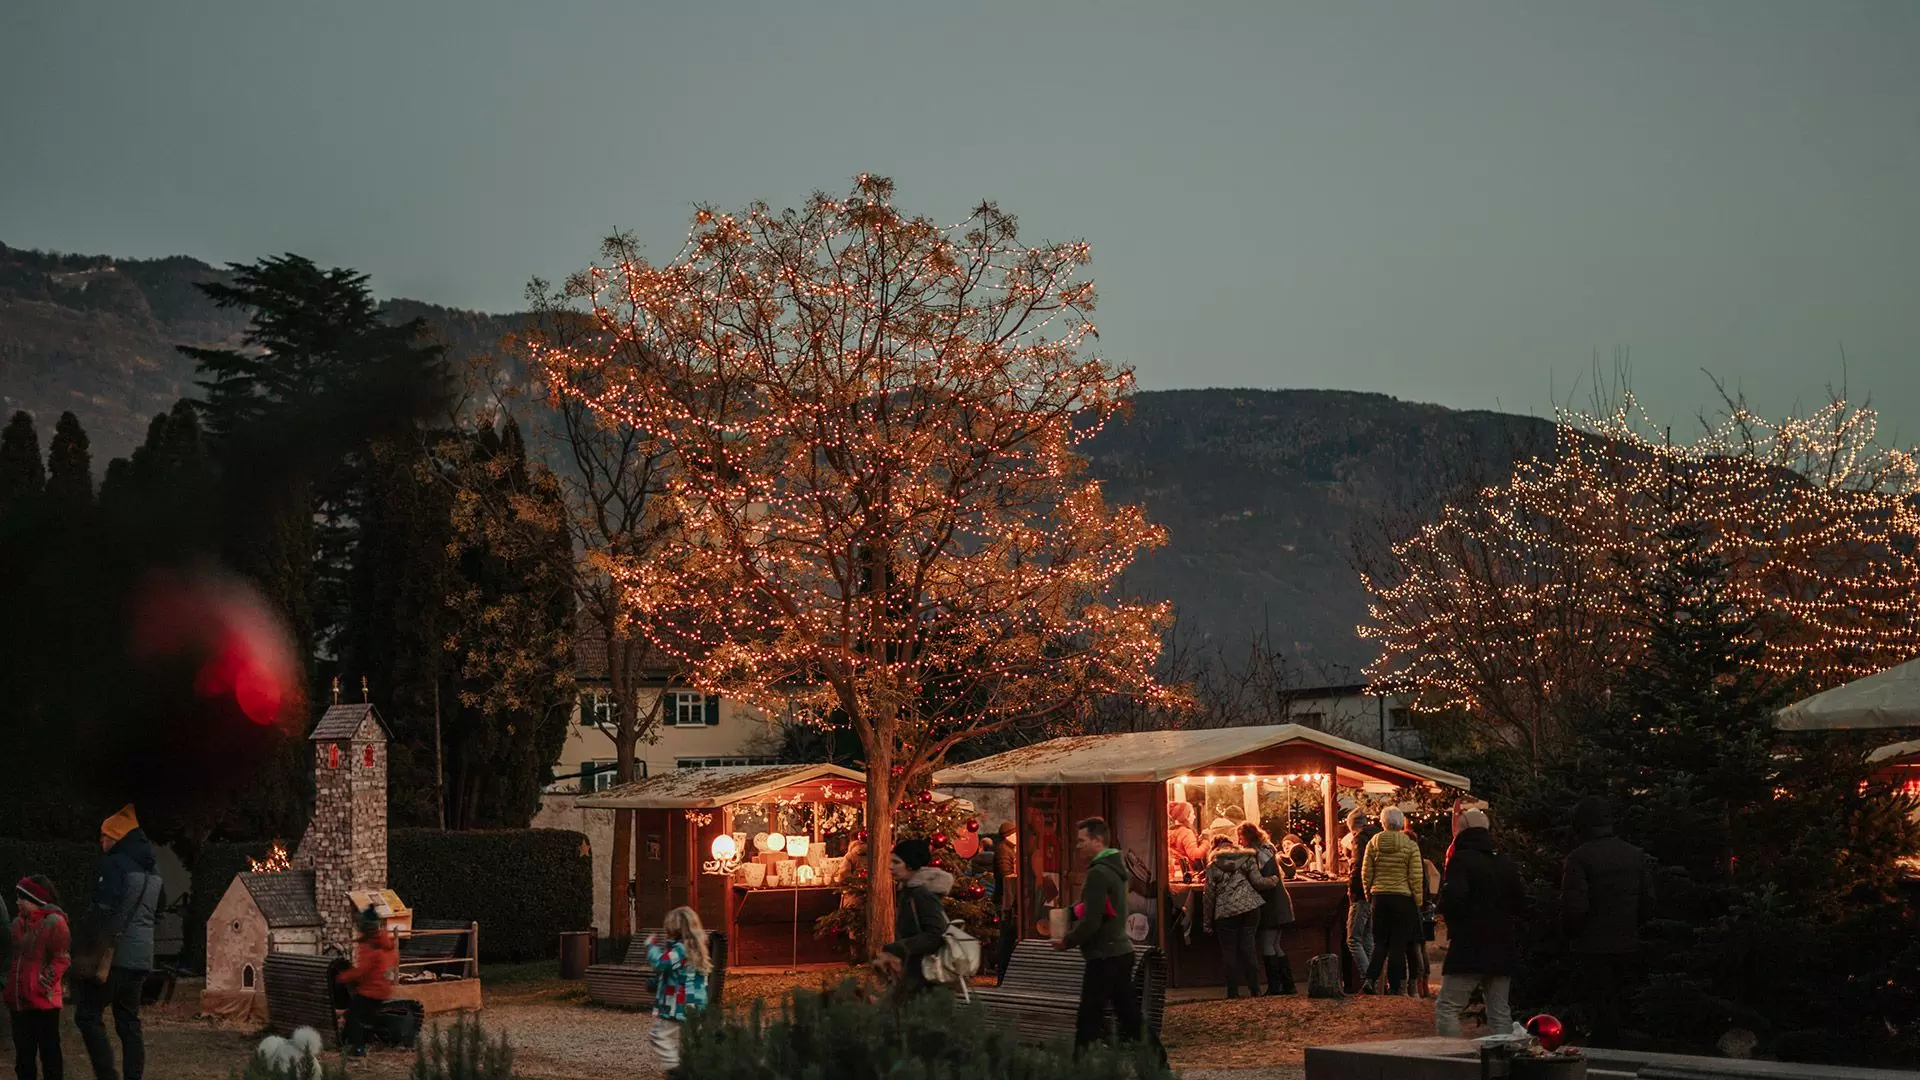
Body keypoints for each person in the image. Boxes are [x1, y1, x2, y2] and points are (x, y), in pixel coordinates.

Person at [74, 804, 164, 1080]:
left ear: (116, 838)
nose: (101, 841)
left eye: (104, 836)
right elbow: (159, 910)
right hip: (141, 959)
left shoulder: (114, 864)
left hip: (113, 957)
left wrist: (84, 939)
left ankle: (107, 1075)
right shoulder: (155, 871)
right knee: (128, 1022)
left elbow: (103, 909)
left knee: (87, 1015)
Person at [1561, 796, 1655, 1045]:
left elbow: (1575, 908)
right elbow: (1648, 901)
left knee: (1601, 1008)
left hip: (1592, 946)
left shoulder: (1579, 858)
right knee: (1624, 1005)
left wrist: (1572, 934)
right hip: (1628, 941)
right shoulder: (1635, 855)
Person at [1434, 809, 1526, 1037]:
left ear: (1461, 831)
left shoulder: (1461, 860)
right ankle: (1504, 1060)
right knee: (1499, 1009)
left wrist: (1449, 915)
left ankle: (1451, 1059)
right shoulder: (1504, 861)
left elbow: (1455, 899)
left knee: (1448, 1006)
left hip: (1470, 943)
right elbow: (1520, 901)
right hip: (1503, 942)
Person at [1055, 817, 1142, 1049]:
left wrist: (1067, 941)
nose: (1078, 846)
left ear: (1097, 841)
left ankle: (1081, 1067)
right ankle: (1156, 1063)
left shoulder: (1098, 874)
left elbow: (1092, 920)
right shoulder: (1114, 869)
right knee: (1129, 1017)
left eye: (1082, 841)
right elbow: (1099, 906)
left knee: (1089, 1018)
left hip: (1104, 954)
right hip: (1118, 952)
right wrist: (1068, 914)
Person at [8, 876, 70, 1080]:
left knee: (49, 1050)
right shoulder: (17, 923)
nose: (17, 902)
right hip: (18, 1000)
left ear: (33, 898)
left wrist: (45, 981)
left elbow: (61, 958)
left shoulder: (54, 923)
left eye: (21, 898)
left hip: (44, 1000)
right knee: (23, 1054)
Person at [874, 838, 951, 1000]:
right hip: (913, 973)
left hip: (926, 976)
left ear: (910, 865)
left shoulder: (921, 894)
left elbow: (935, 934)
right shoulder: (908, 892)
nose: (890, 867)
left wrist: (898, 948)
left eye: (896, 862)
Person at [1361, 807, 1424, 996]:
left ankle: (1370, 979)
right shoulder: (1410, 845)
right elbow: (1415, 876)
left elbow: (1366, 872)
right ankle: (1395, 986)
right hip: (1403, 898)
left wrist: (1369, 894)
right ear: (1401, 822)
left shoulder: (1373, 842)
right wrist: (1417, 900)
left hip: (1379, 897)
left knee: (1380, 942)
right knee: (1398, 944)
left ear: (1383, 822)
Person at [1204, 834, 1276, 999]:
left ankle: (1233, 992)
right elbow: (1258, 882)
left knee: (1229, 952)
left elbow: (1208, 896)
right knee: (1248, 948)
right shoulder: (1246, 859)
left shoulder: (1213, 866)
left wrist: (1207, 922)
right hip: (1250, 908)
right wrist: (1274, 879)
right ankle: (1255, 989)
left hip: (1226, 912)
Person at [646, 907, 711, 1080]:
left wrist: (651, 946)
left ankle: (675, 1069)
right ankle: (692, 1069)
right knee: (688, 1039)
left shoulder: (679, 950)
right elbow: (675, 974)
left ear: (675, 929)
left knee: (658, 1035)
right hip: (695, 1005)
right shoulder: (697, 949)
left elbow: (660, 963)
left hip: (677, 1005)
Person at [1238, 823, 1296, 996]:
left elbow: (1259, 880)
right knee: (1276, 944)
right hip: (1281, 901)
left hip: (1270, 904)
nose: (1239, 841)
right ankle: (1288, 984)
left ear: (1247, 837)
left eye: (1241, 837)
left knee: (1267, 944)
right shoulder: (1269, 848)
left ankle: (1275, 986)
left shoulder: (1255, 854)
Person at [336, 906, 397, 1057]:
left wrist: (342, 977)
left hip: (372, 991)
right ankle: (344, 1041)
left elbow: (362, 970)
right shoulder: (384, 942)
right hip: (381, 988)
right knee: (356, 1013)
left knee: (354, 1016)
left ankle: (358, 1049)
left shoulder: (370, 946)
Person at [1344, 810, 1379, 988]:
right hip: (1376, 893)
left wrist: (1352, 889)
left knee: (1353, 939)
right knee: (1367, 938)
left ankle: (1369, 979)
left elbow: (1358, 867)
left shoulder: (1360, 839)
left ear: (1352, 825)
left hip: (1361, 893)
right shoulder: (1378, 836)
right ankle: (1376, 979)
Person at [992, 823, 1020, 980]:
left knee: (1007, 937)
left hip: (1006, 899)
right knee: (1006, 937)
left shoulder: (1008, 849)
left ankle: (1004, 974)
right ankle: (1002, 974)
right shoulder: (1004, 850)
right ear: (1010, 835)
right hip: (1005, 900)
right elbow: (1006, 875)